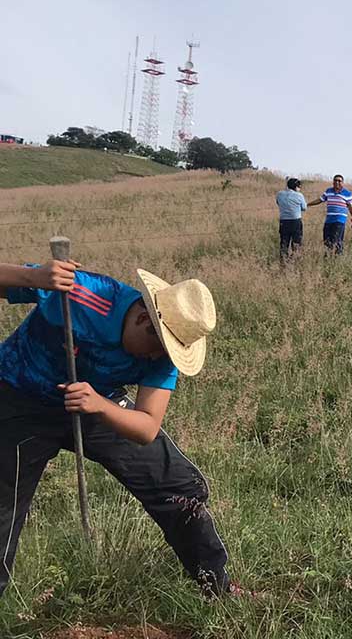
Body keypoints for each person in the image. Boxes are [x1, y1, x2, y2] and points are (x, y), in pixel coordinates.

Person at [0, 259, 231, 595]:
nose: (156, 360)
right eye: (157, 349)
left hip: (97, 403)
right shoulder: (82, 293)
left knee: (177, 483)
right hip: (20, 398)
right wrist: (34, 277)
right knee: (4, 507)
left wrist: (99, 405)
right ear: (142, 319)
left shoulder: (164, 355)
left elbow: (146, 427)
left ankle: (217, 588)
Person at [308, 174, 352, 255]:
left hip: (339, 220)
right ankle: (328, 258)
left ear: (343, 182)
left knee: (337, 240)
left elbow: (350, 207)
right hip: (329, 221)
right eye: (335, 180)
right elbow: (320, 200)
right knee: (327, 241)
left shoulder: (347, 193)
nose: (337, 182)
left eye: (339, 181)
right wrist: (308, 204)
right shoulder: (328, 191)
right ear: (333, 182)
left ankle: (338, 257)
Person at [276, 177, 307, 262]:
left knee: (284, 242)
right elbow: (304, 208)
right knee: (296, 242)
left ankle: (283, 260)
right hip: (295, 221)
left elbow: (278, 203)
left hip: (283, 221)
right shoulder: (299, 195)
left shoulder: (280, 194)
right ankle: (295, 260)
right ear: (296, 186)